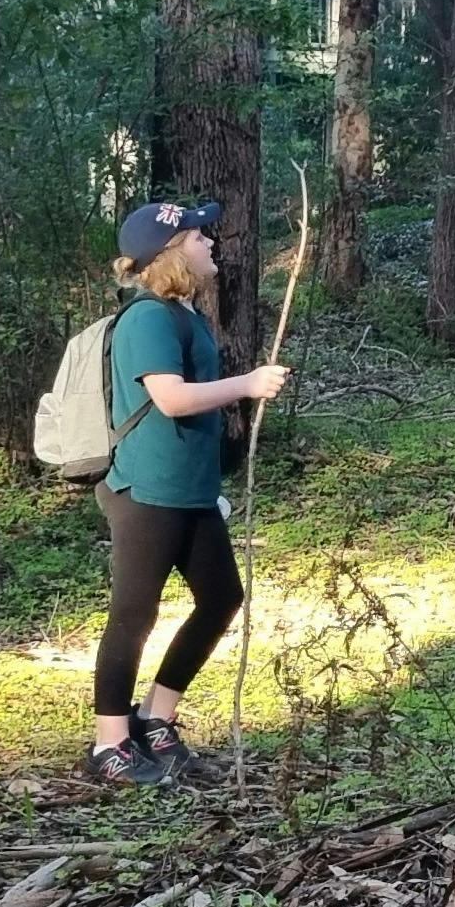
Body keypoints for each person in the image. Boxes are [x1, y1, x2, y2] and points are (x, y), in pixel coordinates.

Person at [85, 197, 289, 789]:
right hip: (148, 489)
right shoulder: (147, 317)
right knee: (133, 614)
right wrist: (247, 385)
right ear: (171, 252)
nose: (210, 244)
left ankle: (156, 719)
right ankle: (110, 744)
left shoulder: (185, 315)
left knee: (222, 597)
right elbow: (171, 398)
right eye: (199, 237)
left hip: (190, 490)